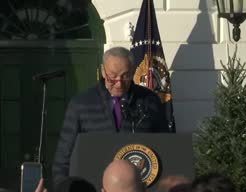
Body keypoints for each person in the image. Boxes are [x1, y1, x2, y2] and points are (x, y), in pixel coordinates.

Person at [52, 46, 170, 180]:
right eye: (113, 77)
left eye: (125, 76)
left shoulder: (149, 101)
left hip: (139, 186)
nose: (119, 84)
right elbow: (63, 159)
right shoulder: (81, 104)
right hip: (92, 187)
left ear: (132, 71)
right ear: (103, 71)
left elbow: (165, 147)